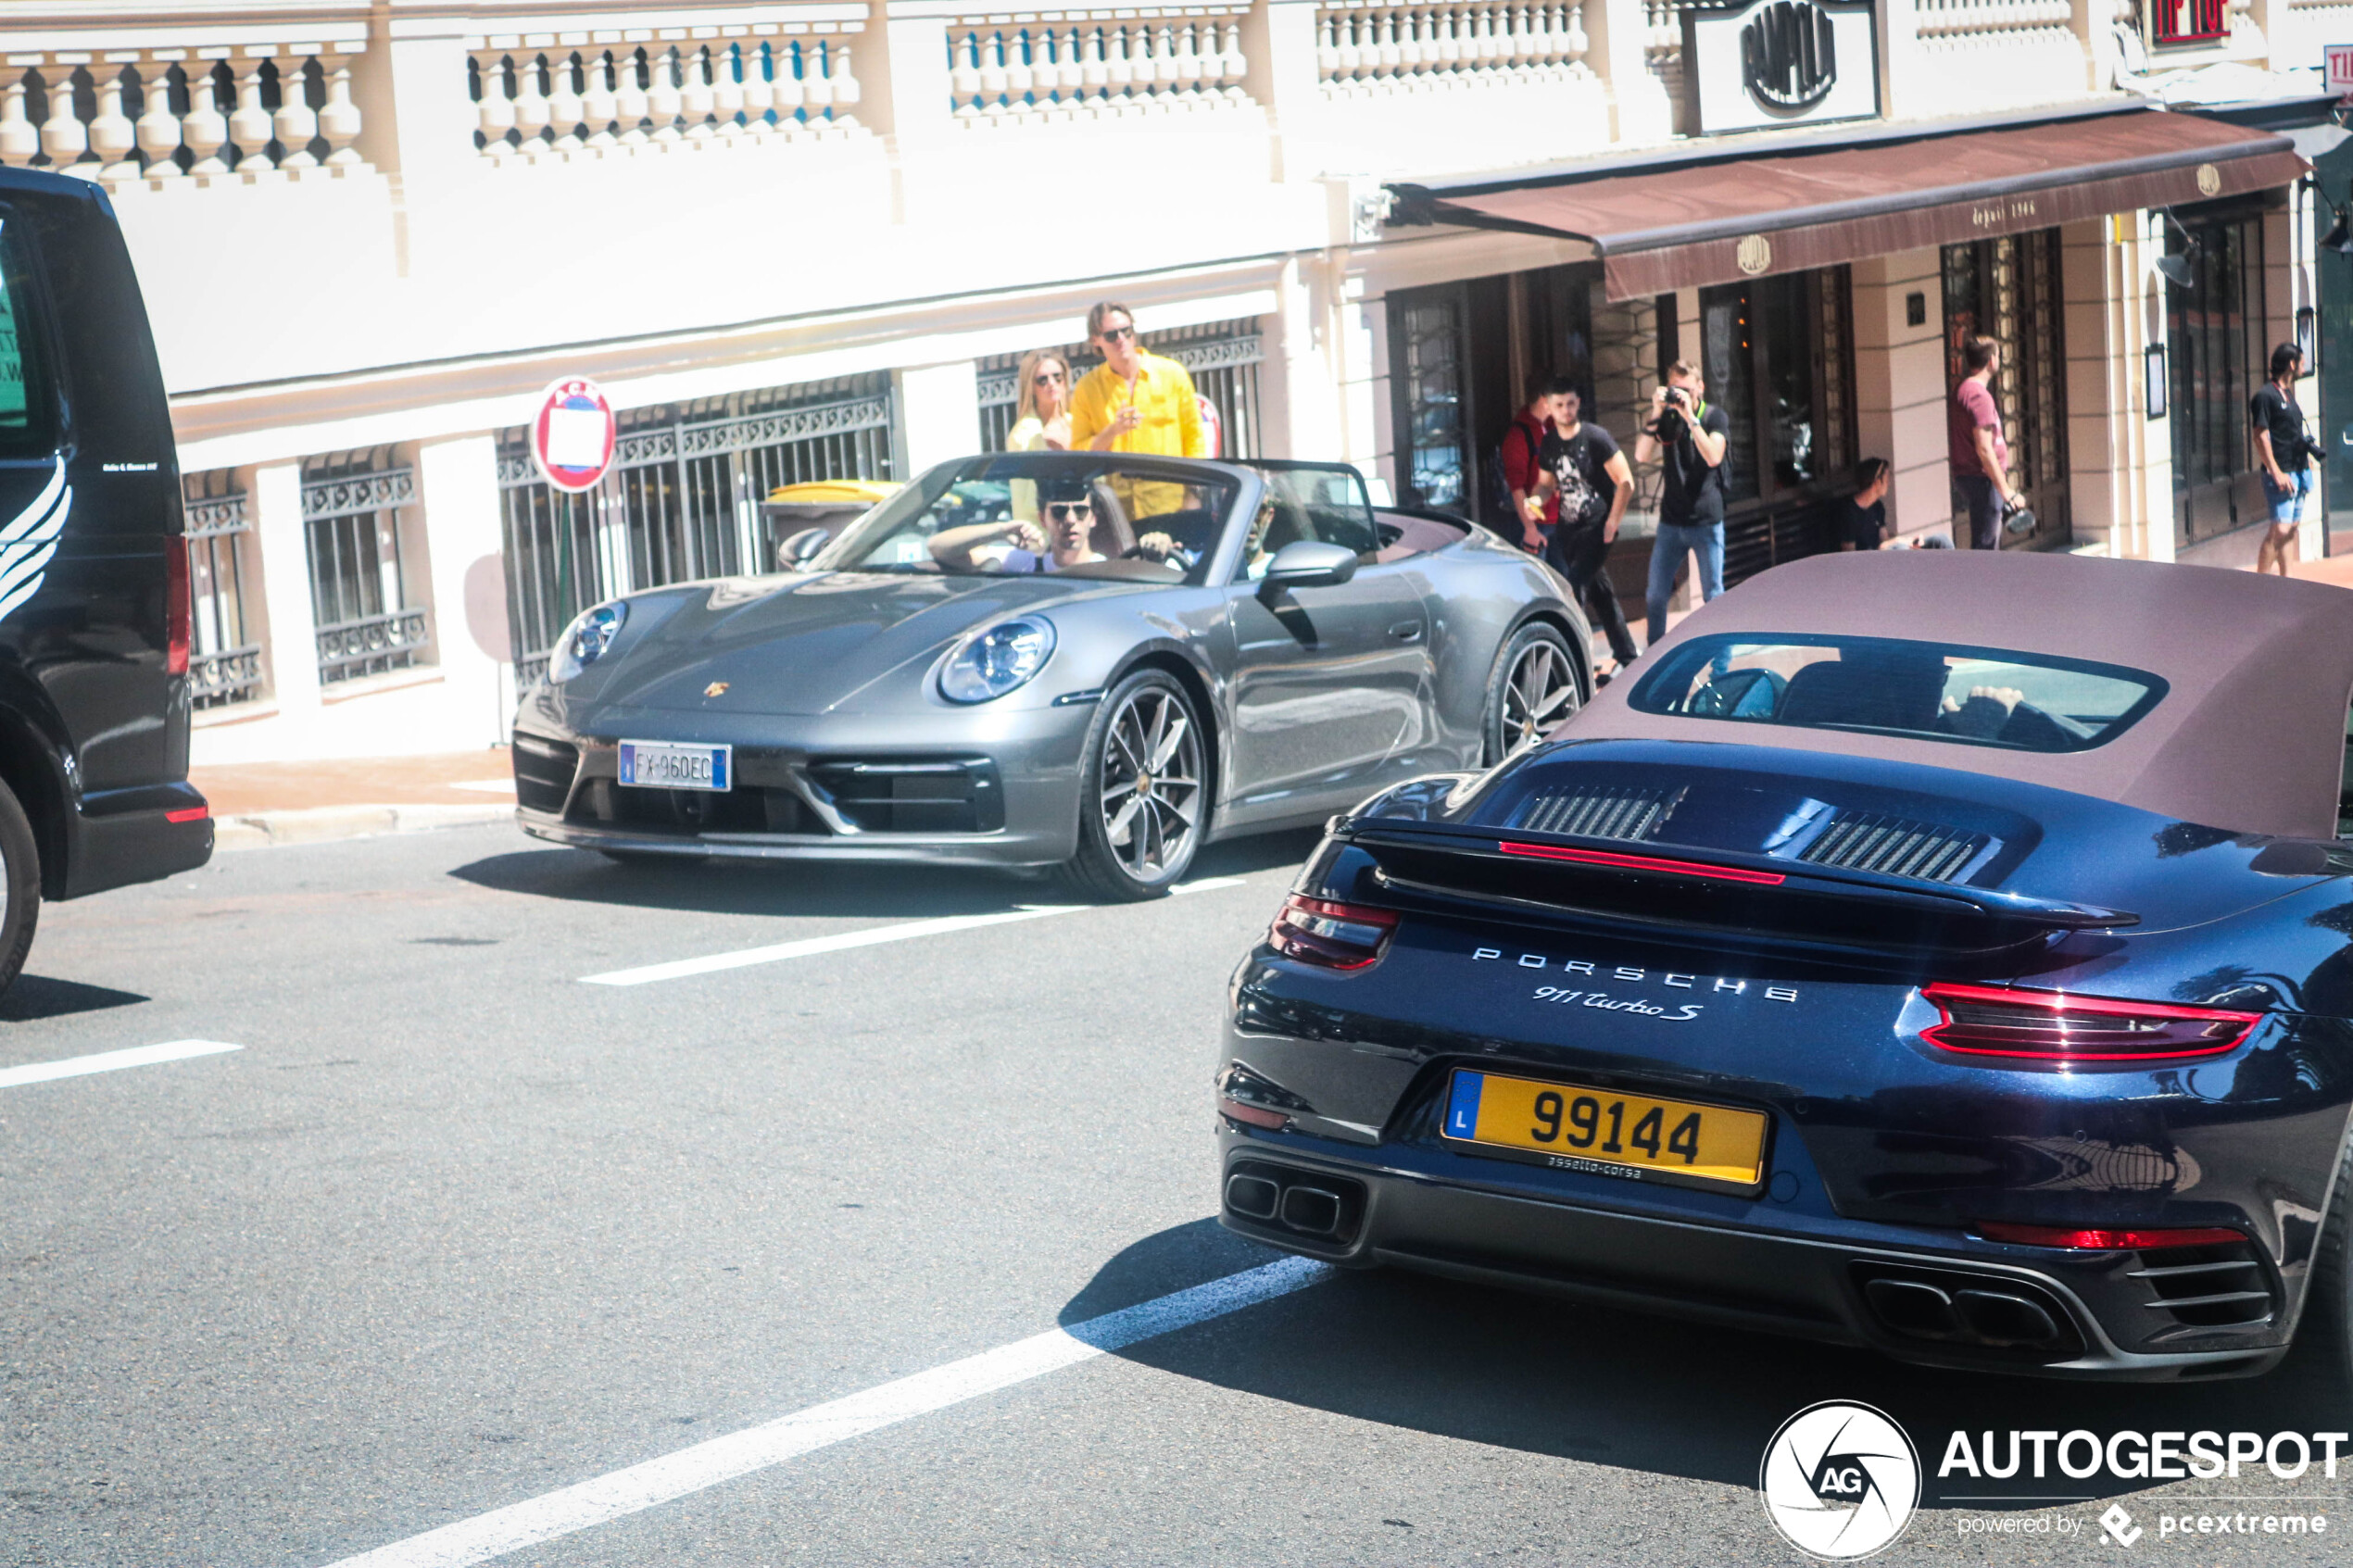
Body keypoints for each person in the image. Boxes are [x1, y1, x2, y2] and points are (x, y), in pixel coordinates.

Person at [1538, 387, 1638, 673]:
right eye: (1559, 404)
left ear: (1578, 403)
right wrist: (1535, 500)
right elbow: (1546, 484)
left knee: (1575, 589)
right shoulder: (1550, 443)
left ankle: (1572, 664)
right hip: (1569, 530)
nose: (1566, 410)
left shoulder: (1596, 437)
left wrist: (1612, 523)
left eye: (1571, 403)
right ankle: (1628, 655)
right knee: (1601, 593)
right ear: (1548, 407)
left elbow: (1626, 481)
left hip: (1597, 526)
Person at [1632, 359, 1730, 648]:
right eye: (1676, 389)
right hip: (1671, 522)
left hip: (1706, 521)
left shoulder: (1714, 417)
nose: (1681, 395)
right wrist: (1656, 411)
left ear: (1701, 387)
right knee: (1655, 595)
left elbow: (1714, 456)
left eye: (1686, 389)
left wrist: (1691, 418)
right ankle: (1653, 657)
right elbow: (1640, 455)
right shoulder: (1666, 417)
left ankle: (1721, 663)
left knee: (1713, 595)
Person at [1067, 303, 1208, 459]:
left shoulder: (1172, 374)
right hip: (1115, 483)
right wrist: (1113, 430)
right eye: (1111, 335)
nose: (1121, 339)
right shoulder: (1087, 388)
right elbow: (1079, 452)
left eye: (1126, 331)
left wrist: (1197, 481)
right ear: (1095, 340)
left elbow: (1194, 436)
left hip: (1168, 482)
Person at [1949, 335, 2022, 551]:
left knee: (1987, 545)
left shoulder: (1963, 391)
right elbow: (1984, 448)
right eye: (1998, 355)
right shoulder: (1978, 396)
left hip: (1975, 478)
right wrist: (2006, 490)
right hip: (1983, 479)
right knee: (1986, 547)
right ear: (1992, 360)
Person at [2252, 341, 2315, 578]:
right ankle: (2260, 583)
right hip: (2281, 474)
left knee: (2290, 531)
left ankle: (2286, 582)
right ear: (2291, 364)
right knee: (2279, 529)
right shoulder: (2265, 396)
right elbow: (2260, 436)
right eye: (2302, 360)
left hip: (2298, 470)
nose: (2304, 365)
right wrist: (2275, 471)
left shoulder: (2288, 395)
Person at [1500, 374, 1567, 552]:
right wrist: (1530, 529)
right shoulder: (1518, 435)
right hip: (1536, 526)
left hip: (1559, 522)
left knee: (1565, 578)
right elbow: (1516, 487)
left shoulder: (1554, 427)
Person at [1004, 350, 1074, 453]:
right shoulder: (1023, 432)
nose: (1051, 383)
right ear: (1030, 387)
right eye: (1042, 379)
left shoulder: (1074, 421)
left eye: (1057, 376)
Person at [1839, 458, 1892, 551]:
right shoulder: (1848, 512)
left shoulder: (1877, 506)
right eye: (1887, 480)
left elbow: (1884, 541)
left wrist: (1904, 542)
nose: (1889, 484)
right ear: (1877, 483)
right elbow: (1849, 554)